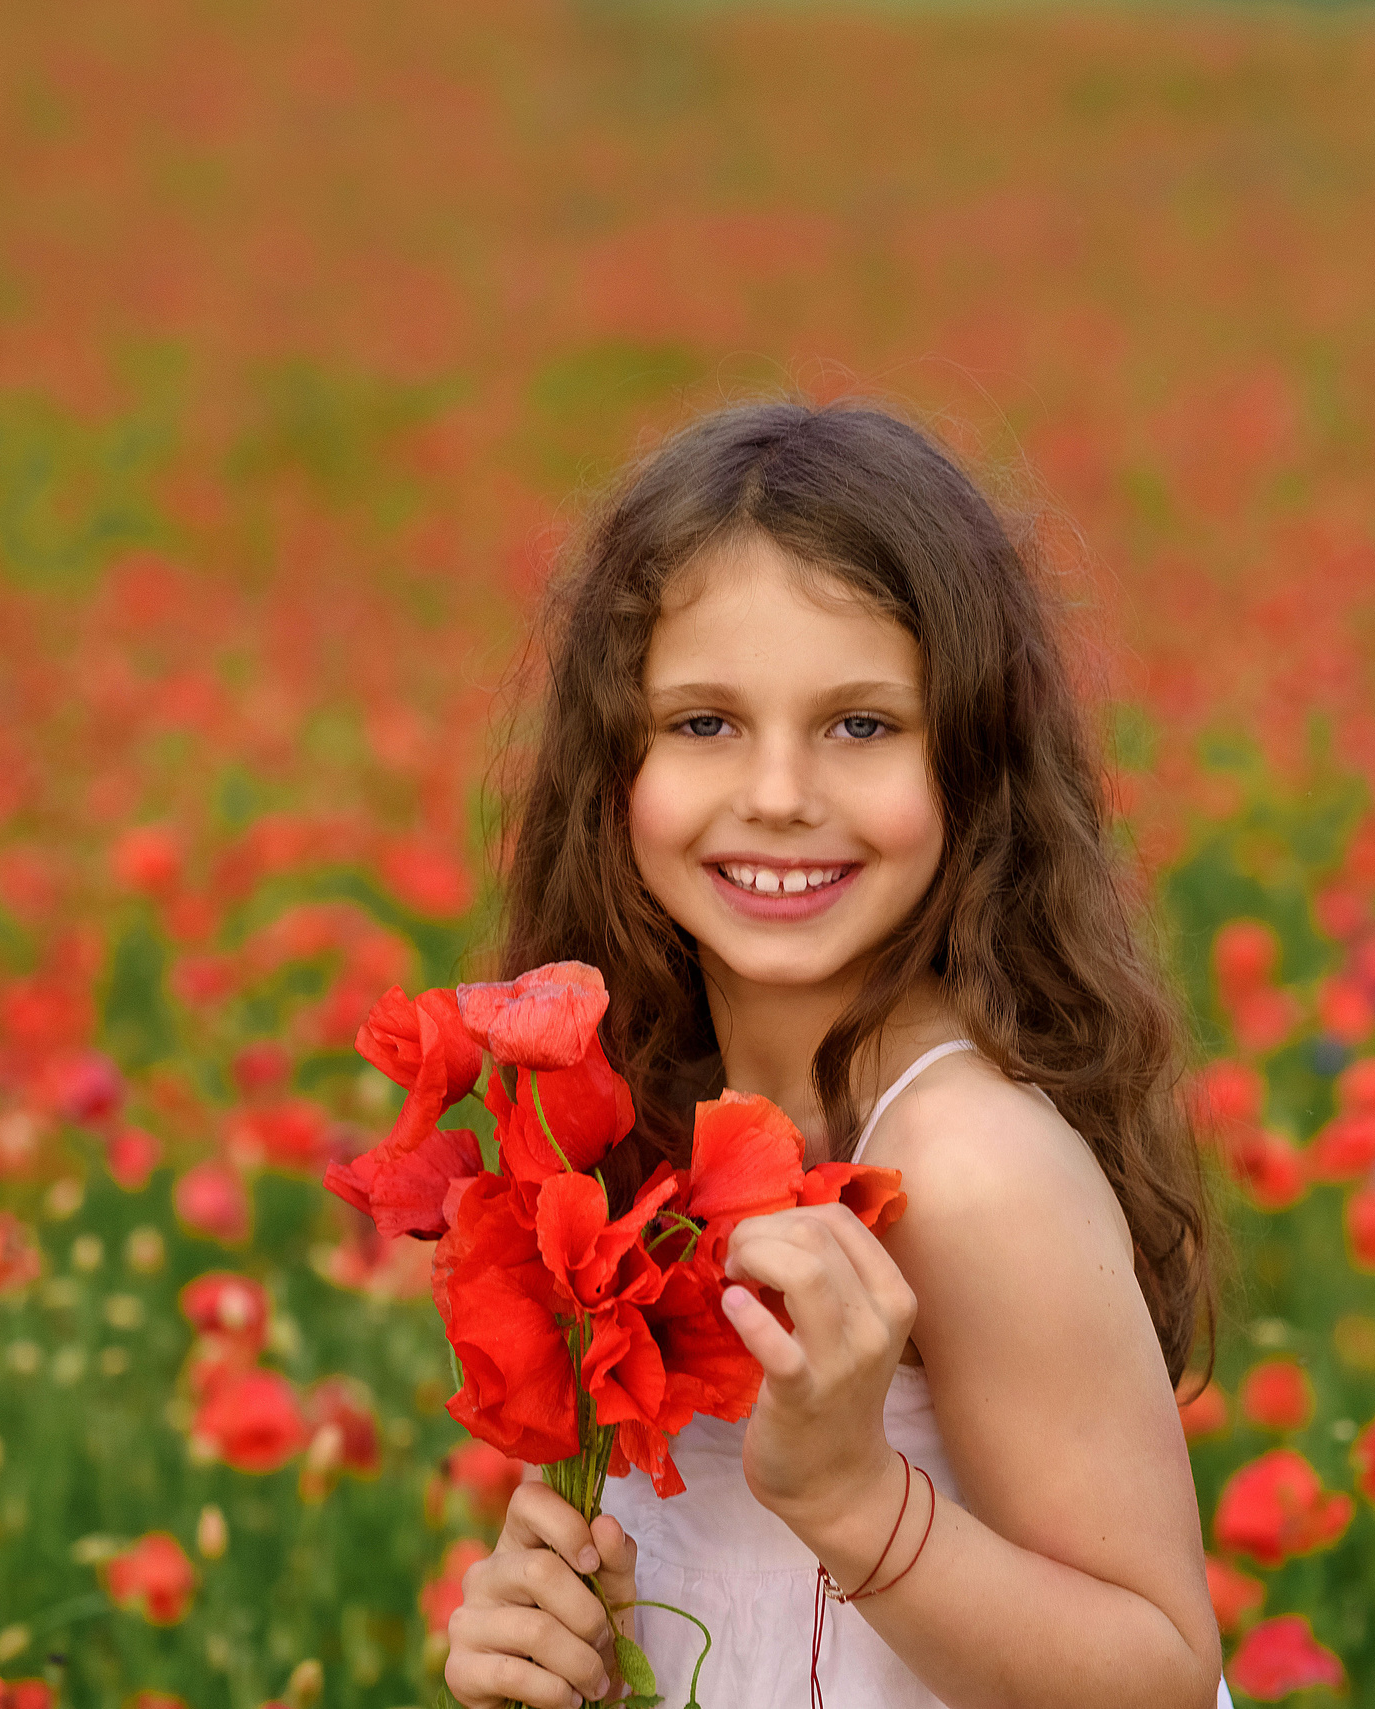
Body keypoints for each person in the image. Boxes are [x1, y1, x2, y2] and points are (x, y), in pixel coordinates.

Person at [441, 399, 1231, 1709]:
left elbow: (1159, 1671)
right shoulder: (636, 1117)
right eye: (705, 723)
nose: (780, 794)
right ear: (613, 759)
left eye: (862, 724)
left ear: (972, 760)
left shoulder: (969, 1163)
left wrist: (855, 1499)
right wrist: (541, 1635)